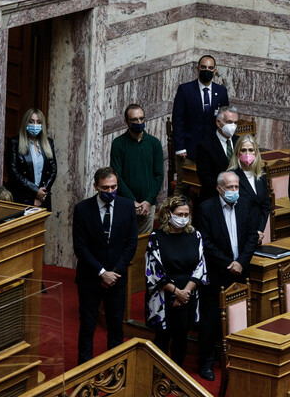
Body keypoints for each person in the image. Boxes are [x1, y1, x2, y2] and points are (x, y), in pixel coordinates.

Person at [196, 171, 259, 381]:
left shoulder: (246, 204)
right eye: (230, 188)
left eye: (236, 187)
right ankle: (205, 362)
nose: (234, 191)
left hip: (241, 271)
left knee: (238, 319)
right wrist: (228, 264)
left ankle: (237, 360)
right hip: (216, 273)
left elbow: (252, 237)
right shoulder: (206, 208)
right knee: (210, 322)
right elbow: (206, 242)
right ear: (219, 189)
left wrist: (241, 262)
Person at [72, 167, 138, 364]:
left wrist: (114, 273)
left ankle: (116, 369)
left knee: (116, 326)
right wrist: (102, 273)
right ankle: (84, 372)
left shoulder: (127, 207)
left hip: (117, 279)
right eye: (105, 188)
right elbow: (80, 247)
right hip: (90, 278)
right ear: (96, 187)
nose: (110, 192)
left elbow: (131, 243)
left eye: (113, 187)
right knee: (87, 326)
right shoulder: (82, 209)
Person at [145, 195, 208, 367]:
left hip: (188, 293)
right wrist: (176, 292)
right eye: (179, 214)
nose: (183, 218)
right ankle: (158, 374)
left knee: (182, 337)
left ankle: (177, 375)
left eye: (186, 214)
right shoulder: (156, 237)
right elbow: (154, 270)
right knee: (162, 338)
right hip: (163, 295)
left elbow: (201, 266)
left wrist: (185, 292)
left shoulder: (195, 235)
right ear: (168, 213)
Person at [172, 55, 230, 188]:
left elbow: (225, 120)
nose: (206, 70)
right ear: (197, 68)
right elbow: (178, 119)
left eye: (210, 68)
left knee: (210, 186)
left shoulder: (221, 91)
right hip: (188, 150)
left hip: (211, 150)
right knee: (183, 186)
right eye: (203, 67)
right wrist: (180, 148)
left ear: (215, 70)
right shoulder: (185, 90)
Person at [110, 103, 164, 234]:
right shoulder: (118, 143)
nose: (139, 122)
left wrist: (147, 201)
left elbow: (158, 175)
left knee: (142, 246)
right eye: (134, 120)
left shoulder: (154, 143)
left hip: (147, 205)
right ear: (126, 122)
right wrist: (132, 202)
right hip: (125, 204)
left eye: (141, 118)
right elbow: (116, 175)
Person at [6, 108, 57, 210]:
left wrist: (41, 194)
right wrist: (35, 191)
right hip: (21, 198)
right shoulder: (15, 142)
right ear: (25, 123)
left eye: (38, 122)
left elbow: (53, 171)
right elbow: (13, 172)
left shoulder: (49, 143)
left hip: (43, 198)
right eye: (31, 121)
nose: (35, 125)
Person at [228, 134, 271, 244]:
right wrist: (252, 233)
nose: (247, 154)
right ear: (238, 153)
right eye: (244, 150)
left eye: (251, 150)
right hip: (239, 234)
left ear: (255, 152)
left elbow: (265, 206)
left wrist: (259, 230)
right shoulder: (230, 176)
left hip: (257, 234)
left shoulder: (260, 176)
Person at [196, 106, 239, 202]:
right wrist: (226, 192)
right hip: (215, 197)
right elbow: (205, 178)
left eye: (235, 123)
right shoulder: (205, 146)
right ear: (218, 122)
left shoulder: (239, 142)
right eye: (229, 122)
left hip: (239, 196)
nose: (233, 126)